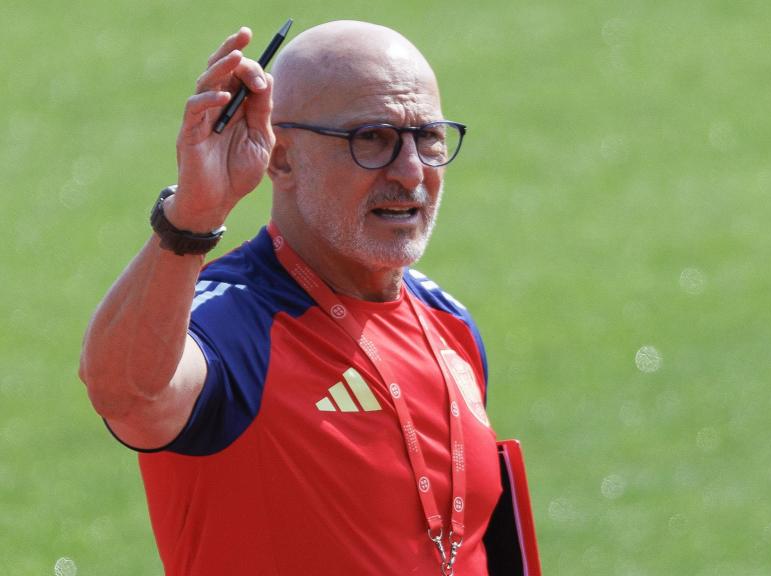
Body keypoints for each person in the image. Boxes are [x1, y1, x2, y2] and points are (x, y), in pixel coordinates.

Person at [79, 20, 501, 574]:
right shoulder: (233, 322)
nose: (410, 171)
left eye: (427, 136)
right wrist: (193, 218)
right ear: (281, 158)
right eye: (371, 138)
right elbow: (126, 395)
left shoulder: (449, 323)